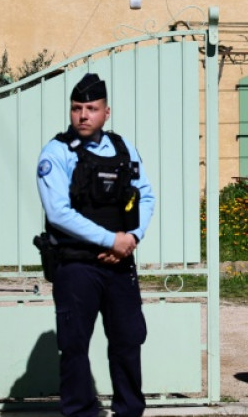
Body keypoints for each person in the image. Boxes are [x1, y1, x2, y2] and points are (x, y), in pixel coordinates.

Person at [36, 73, 156, 417]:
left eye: (91, 108)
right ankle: (79, 412)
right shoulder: (57, 152)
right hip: (76, 266)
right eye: (77, 108)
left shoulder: (122, 148)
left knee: (128, 343)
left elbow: (146, 195)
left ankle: (129, 411)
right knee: (74, 348)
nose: (83, 115)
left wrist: (131, 238)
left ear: (106, 112)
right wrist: (111, 240)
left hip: (119, 264)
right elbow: (58, 212)